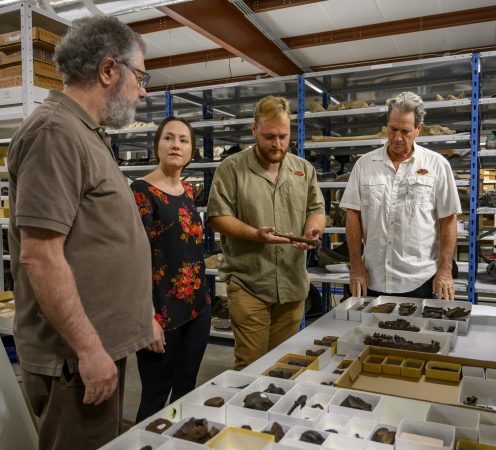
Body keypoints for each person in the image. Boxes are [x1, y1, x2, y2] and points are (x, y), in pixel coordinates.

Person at [7, 17, 154, 450]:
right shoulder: (56, 133)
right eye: (140, 75)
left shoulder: (85, 132)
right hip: (74, 358)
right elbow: (41, 256)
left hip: (96, 347)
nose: (143, 90)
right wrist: (89, 350)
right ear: (109, 71)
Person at [207, 95, 326, 370]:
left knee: (282, 364)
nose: (277, 144)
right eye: (269, 136)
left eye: (283, 137)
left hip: (292, 283)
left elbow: (316, 208)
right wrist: (254, 234)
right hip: (250, 282)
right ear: (253, 130)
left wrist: (313, 228)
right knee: (251, 364)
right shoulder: (231, 168)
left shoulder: (303, 169)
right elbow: (217, 217)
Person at [340, 91, 461, 300]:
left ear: (418, 129)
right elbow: (353, 216)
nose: (397, 138)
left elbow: (448, 219)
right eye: (392, 129)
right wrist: (356, 267)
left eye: (405, 131)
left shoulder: (437, 165)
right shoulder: (364, 165)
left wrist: (445, 270)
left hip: (420, 280)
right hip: (372, 278)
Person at [131, 117, 211, 422]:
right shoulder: (141, 191)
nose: (176, 145)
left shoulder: (188, 191)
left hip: (198, 307)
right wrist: (147, 317)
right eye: (169, 138)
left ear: (191, 150)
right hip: (161, 312)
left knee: (186, 388)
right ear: (157, 146)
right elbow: (135, 259)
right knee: (155, 394)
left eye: (183, 140)